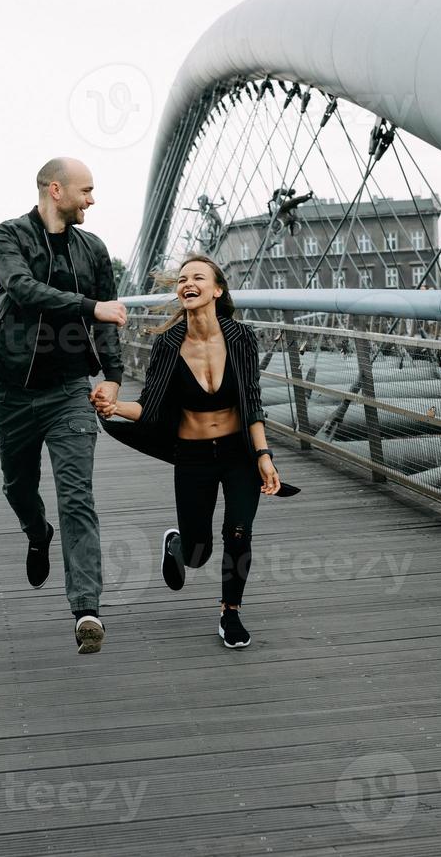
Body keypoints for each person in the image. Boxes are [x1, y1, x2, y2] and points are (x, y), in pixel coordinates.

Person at [93, 255, 282, 649]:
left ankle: (230, 613)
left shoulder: (241, 337)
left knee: (239, 532)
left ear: (217, 290)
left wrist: (263, 455)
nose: (187, 283)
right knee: (198, 553)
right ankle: (178, 544)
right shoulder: (168, 344)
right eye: (181, 279)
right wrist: (114, 407)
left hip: (238, 453)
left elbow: (251, 402)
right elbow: (151, 406)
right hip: (193, 455)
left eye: (198, 277)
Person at [0, 157, 128, 654]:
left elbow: (109, 322)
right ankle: (36, 531)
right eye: (86, 190)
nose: (92, 199)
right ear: (56, 189)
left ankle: (86, 609)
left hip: (70, 389)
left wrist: (112, 377)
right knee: (18, 487)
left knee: (77, 496)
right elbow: (22, 290)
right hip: (14, 391)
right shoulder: (9, 237)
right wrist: (90, 307)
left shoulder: (93, 250)